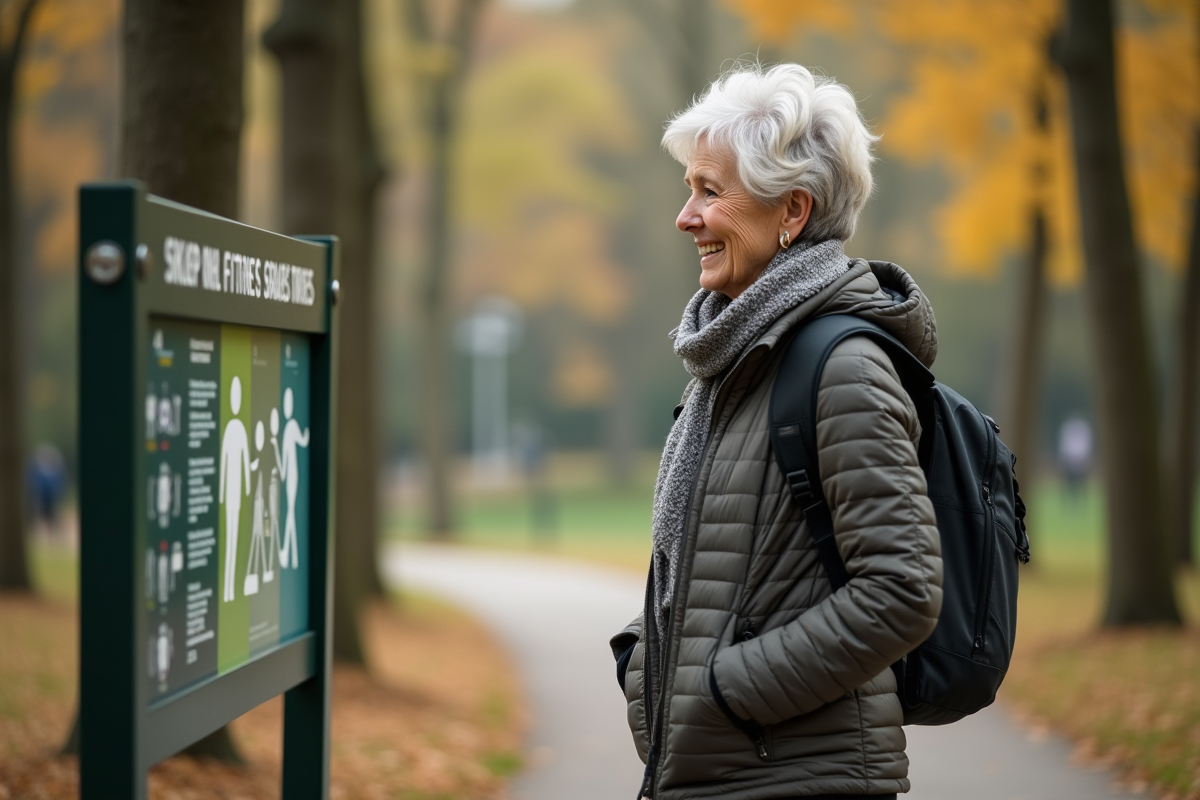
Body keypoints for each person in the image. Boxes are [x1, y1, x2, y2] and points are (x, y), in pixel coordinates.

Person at [609, 63, 944, 800]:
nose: (685, 216)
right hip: (721, 772)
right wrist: (646, 659)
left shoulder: (840, 367)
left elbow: (904, 587)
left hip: (796, 777)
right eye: (688, 188)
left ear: (791, 211)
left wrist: (730, 691)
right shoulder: (733, 359)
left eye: (709, 191)